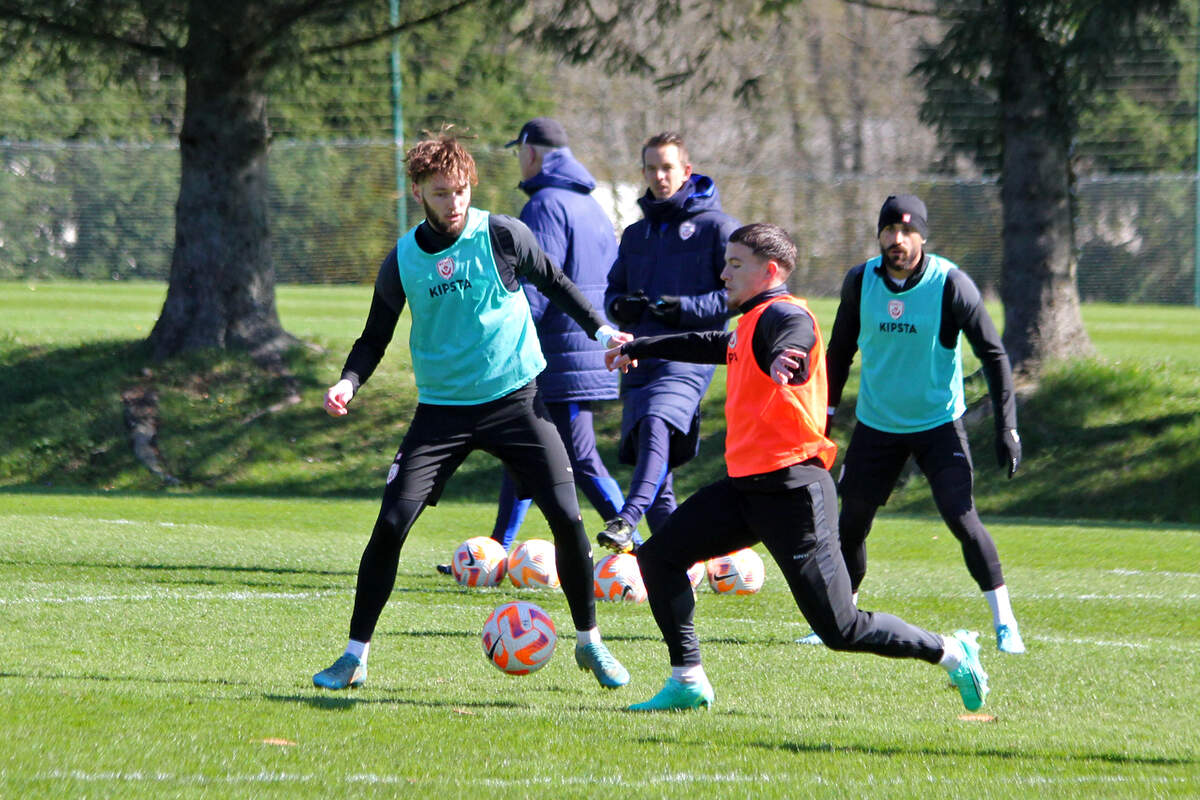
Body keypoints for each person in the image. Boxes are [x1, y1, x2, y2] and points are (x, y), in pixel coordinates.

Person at [605, 222, 990, 712]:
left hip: (793, 493)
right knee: (659, 558)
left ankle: (952, 652)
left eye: (735, 264)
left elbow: (796, 339)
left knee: (841, 628)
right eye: (725, 263)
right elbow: (709, 342)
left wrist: (788, 359)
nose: (723, 274)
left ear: (770, 271)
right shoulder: (749, 322)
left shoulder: (784, 316)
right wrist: (640, 345)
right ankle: (688, 679)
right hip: (746, 491)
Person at [312, 130, 631, 691]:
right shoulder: (403, 259)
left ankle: (590, 643)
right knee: (390, 523)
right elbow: (373, 336)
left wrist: (602, 330)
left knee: (568, 517)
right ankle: (353, 656)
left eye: (460, 190)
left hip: (518, 401)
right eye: (440, 193)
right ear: (418, 192)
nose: (453, 202)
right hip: (442, 412)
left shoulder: (502, 234)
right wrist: (348, 381)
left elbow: (556, 283)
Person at [796, 194, 1025, 654]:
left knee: (961, 519)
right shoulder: (861, 281)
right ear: (879, 234)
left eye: (906, 232)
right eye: (888, 231)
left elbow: (995, 356)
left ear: (922, 236)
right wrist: (824, 417)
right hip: (877, 424)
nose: (896, 240)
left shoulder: (950, 284)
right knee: (851, 524)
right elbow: (839, 353)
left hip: (937, 424)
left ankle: (1006, 623)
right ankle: (842, 618)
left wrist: (1007, 427)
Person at [482, 118, 627, 552]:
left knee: (579, 456)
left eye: (517, 153)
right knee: (523, 448)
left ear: (529, 152)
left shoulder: (544, 204)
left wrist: (507, 339)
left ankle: (636, 542)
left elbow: (537, 282)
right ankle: (496, 551)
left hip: (558, 352)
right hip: (587, 345)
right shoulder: (592, 204)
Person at [596, 131, 739, 553]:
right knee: (657, 472)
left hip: (690, 356)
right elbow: (612, 292)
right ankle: (678, 562)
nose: (659, 175)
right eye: (652, 168)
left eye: (667, 167)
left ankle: (626, 518)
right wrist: (621, 308)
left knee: (657, 423)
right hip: (640, 356)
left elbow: (734, 294)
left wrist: (682, 309)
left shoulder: (717, 228)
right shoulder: (638, 234)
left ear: (686, 171)